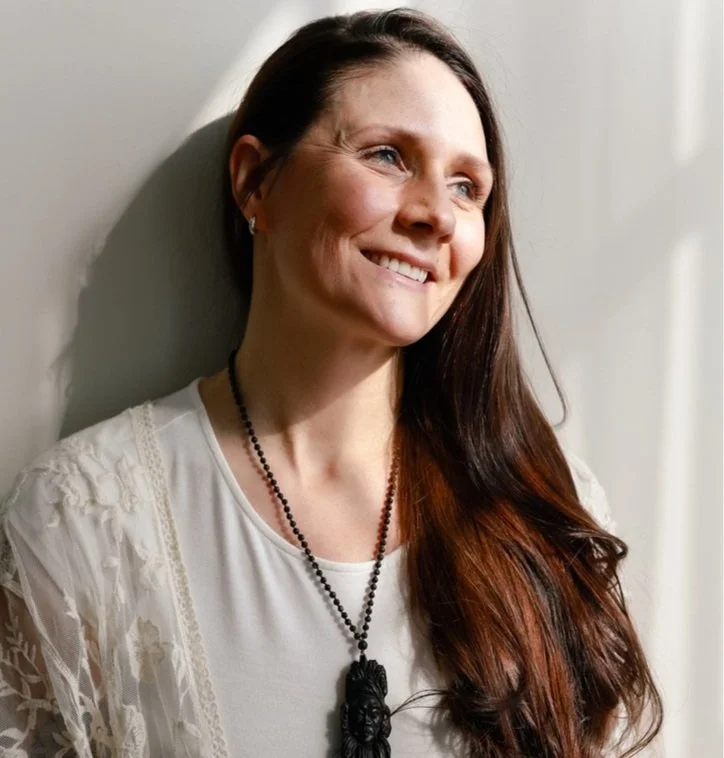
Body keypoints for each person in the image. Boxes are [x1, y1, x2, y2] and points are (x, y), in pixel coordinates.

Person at [0, 8, 663, 757]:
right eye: (387, 156)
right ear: (256, 181)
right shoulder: (84, 523)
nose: (437, 216)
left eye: (466, 187)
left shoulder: (546, 507)